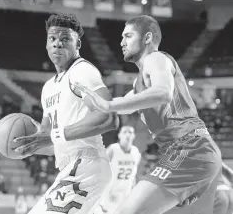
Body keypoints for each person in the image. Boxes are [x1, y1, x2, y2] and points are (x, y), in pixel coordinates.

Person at [74, 15, 222, 214]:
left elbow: (163, 92)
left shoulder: (156, 59)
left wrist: (107, 105)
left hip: (190, 148)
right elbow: (122, 107)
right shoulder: (139, 84)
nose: (121, 42)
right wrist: (90, 102)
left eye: (128, 36)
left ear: (147, 38)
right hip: (191, 152)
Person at [10, 13, 119, 214]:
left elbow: (108, 116)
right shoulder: (48, 88)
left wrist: (55, 135)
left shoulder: (81, 72)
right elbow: (50, 142)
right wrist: (24, 146)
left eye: (65, 39)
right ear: (46, 44)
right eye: (52, 39)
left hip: (86, 167)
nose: (57, 44)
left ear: (78, 44)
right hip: (71, 167)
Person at [95, 126, 141, 214]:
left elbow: (133, 174)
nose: (127, 134)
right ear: (119, 135)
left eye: (130, 132)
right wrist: (107, 190)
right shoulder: (113, 149)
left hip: (126, 192)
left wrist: (133, 190)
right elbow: (101, 170)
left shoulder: (136, 152)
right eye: (125, 132)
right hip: (111, 190)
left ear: (134, 135)